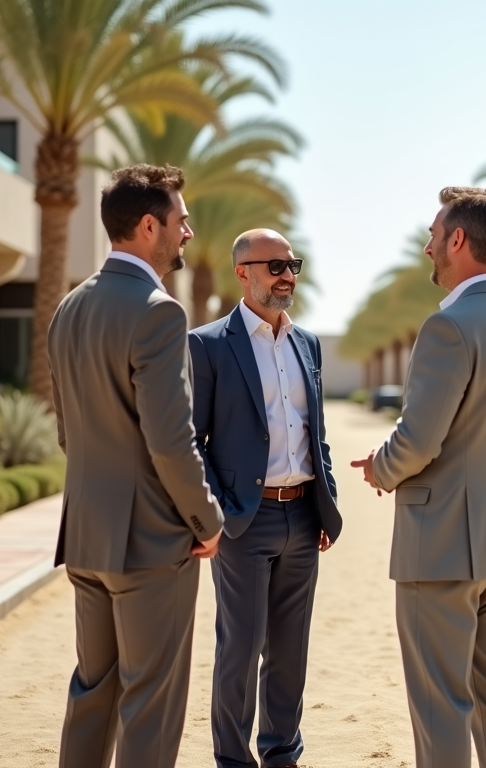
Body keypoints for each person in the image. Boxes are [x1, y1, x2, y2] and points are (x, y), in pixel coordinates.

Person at [351, 187, 486, 768]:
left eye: (435, 234)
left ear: (458, 240)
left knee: (440, 703)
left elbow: (419, 440)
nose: (429, 245)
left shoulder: (449, 326)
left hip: (441, 542)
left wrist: (381, 468)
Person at [48, 164, 224, 768]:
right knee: (151, 703)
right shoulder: (160, 311)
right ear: (149, 226)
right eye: (180, 222)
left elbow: (69, 430)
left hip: (86, 535)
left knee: (93, 692)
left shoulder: (68, 307)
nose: (187, 234)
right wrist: (206, 520)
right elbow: (170, 440)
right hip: (151, 546)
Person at [188, 229, 342, 768]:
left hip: (302, 514)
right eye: (274, 265)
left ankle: (282, 754)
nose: (287, 275)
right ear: (243, 273)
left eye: (292, 263)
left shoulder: (309, 344)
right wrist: (221, 512)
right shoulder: (207, 344)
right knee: (240, 647)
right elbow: (193, 439)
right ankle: (232, 760)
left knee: (289, 650)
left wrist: (326, 501)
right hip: (243, 522)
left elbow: (314, 433)